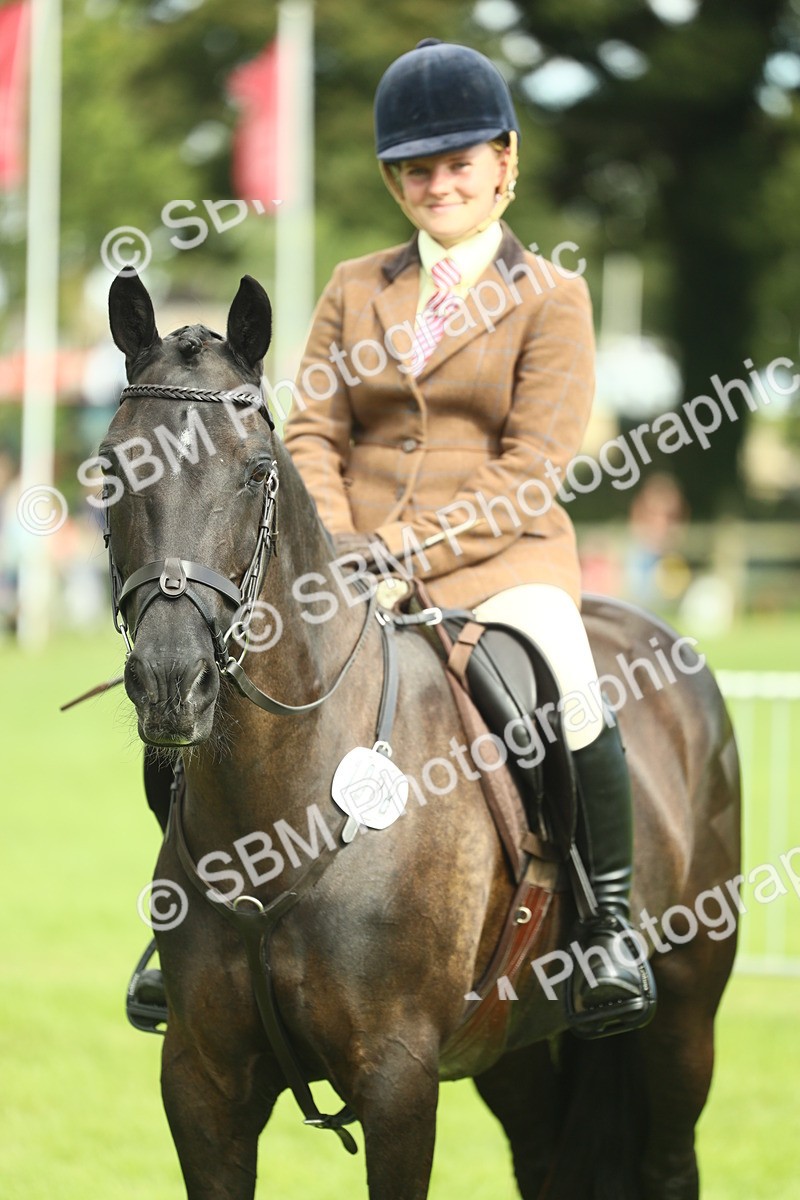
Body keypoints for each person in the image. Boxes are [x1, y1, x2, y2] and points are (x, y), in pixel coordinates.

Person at [281, 38, 655, 1038]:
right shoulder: (355, 286)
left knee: (569, 686)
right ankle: (188, 930)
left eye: (457, 163)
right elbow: (312, 429)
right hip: (346, 557)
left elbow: (531, 466)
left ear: (503, 163)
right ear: (391, 178)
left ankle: (607, 924)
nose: (437, 183)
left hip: (499, 561)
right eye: (417, 167)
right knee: (225, 681)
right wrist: (339, 544)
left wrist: (403, 551)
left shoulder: (552, 298)